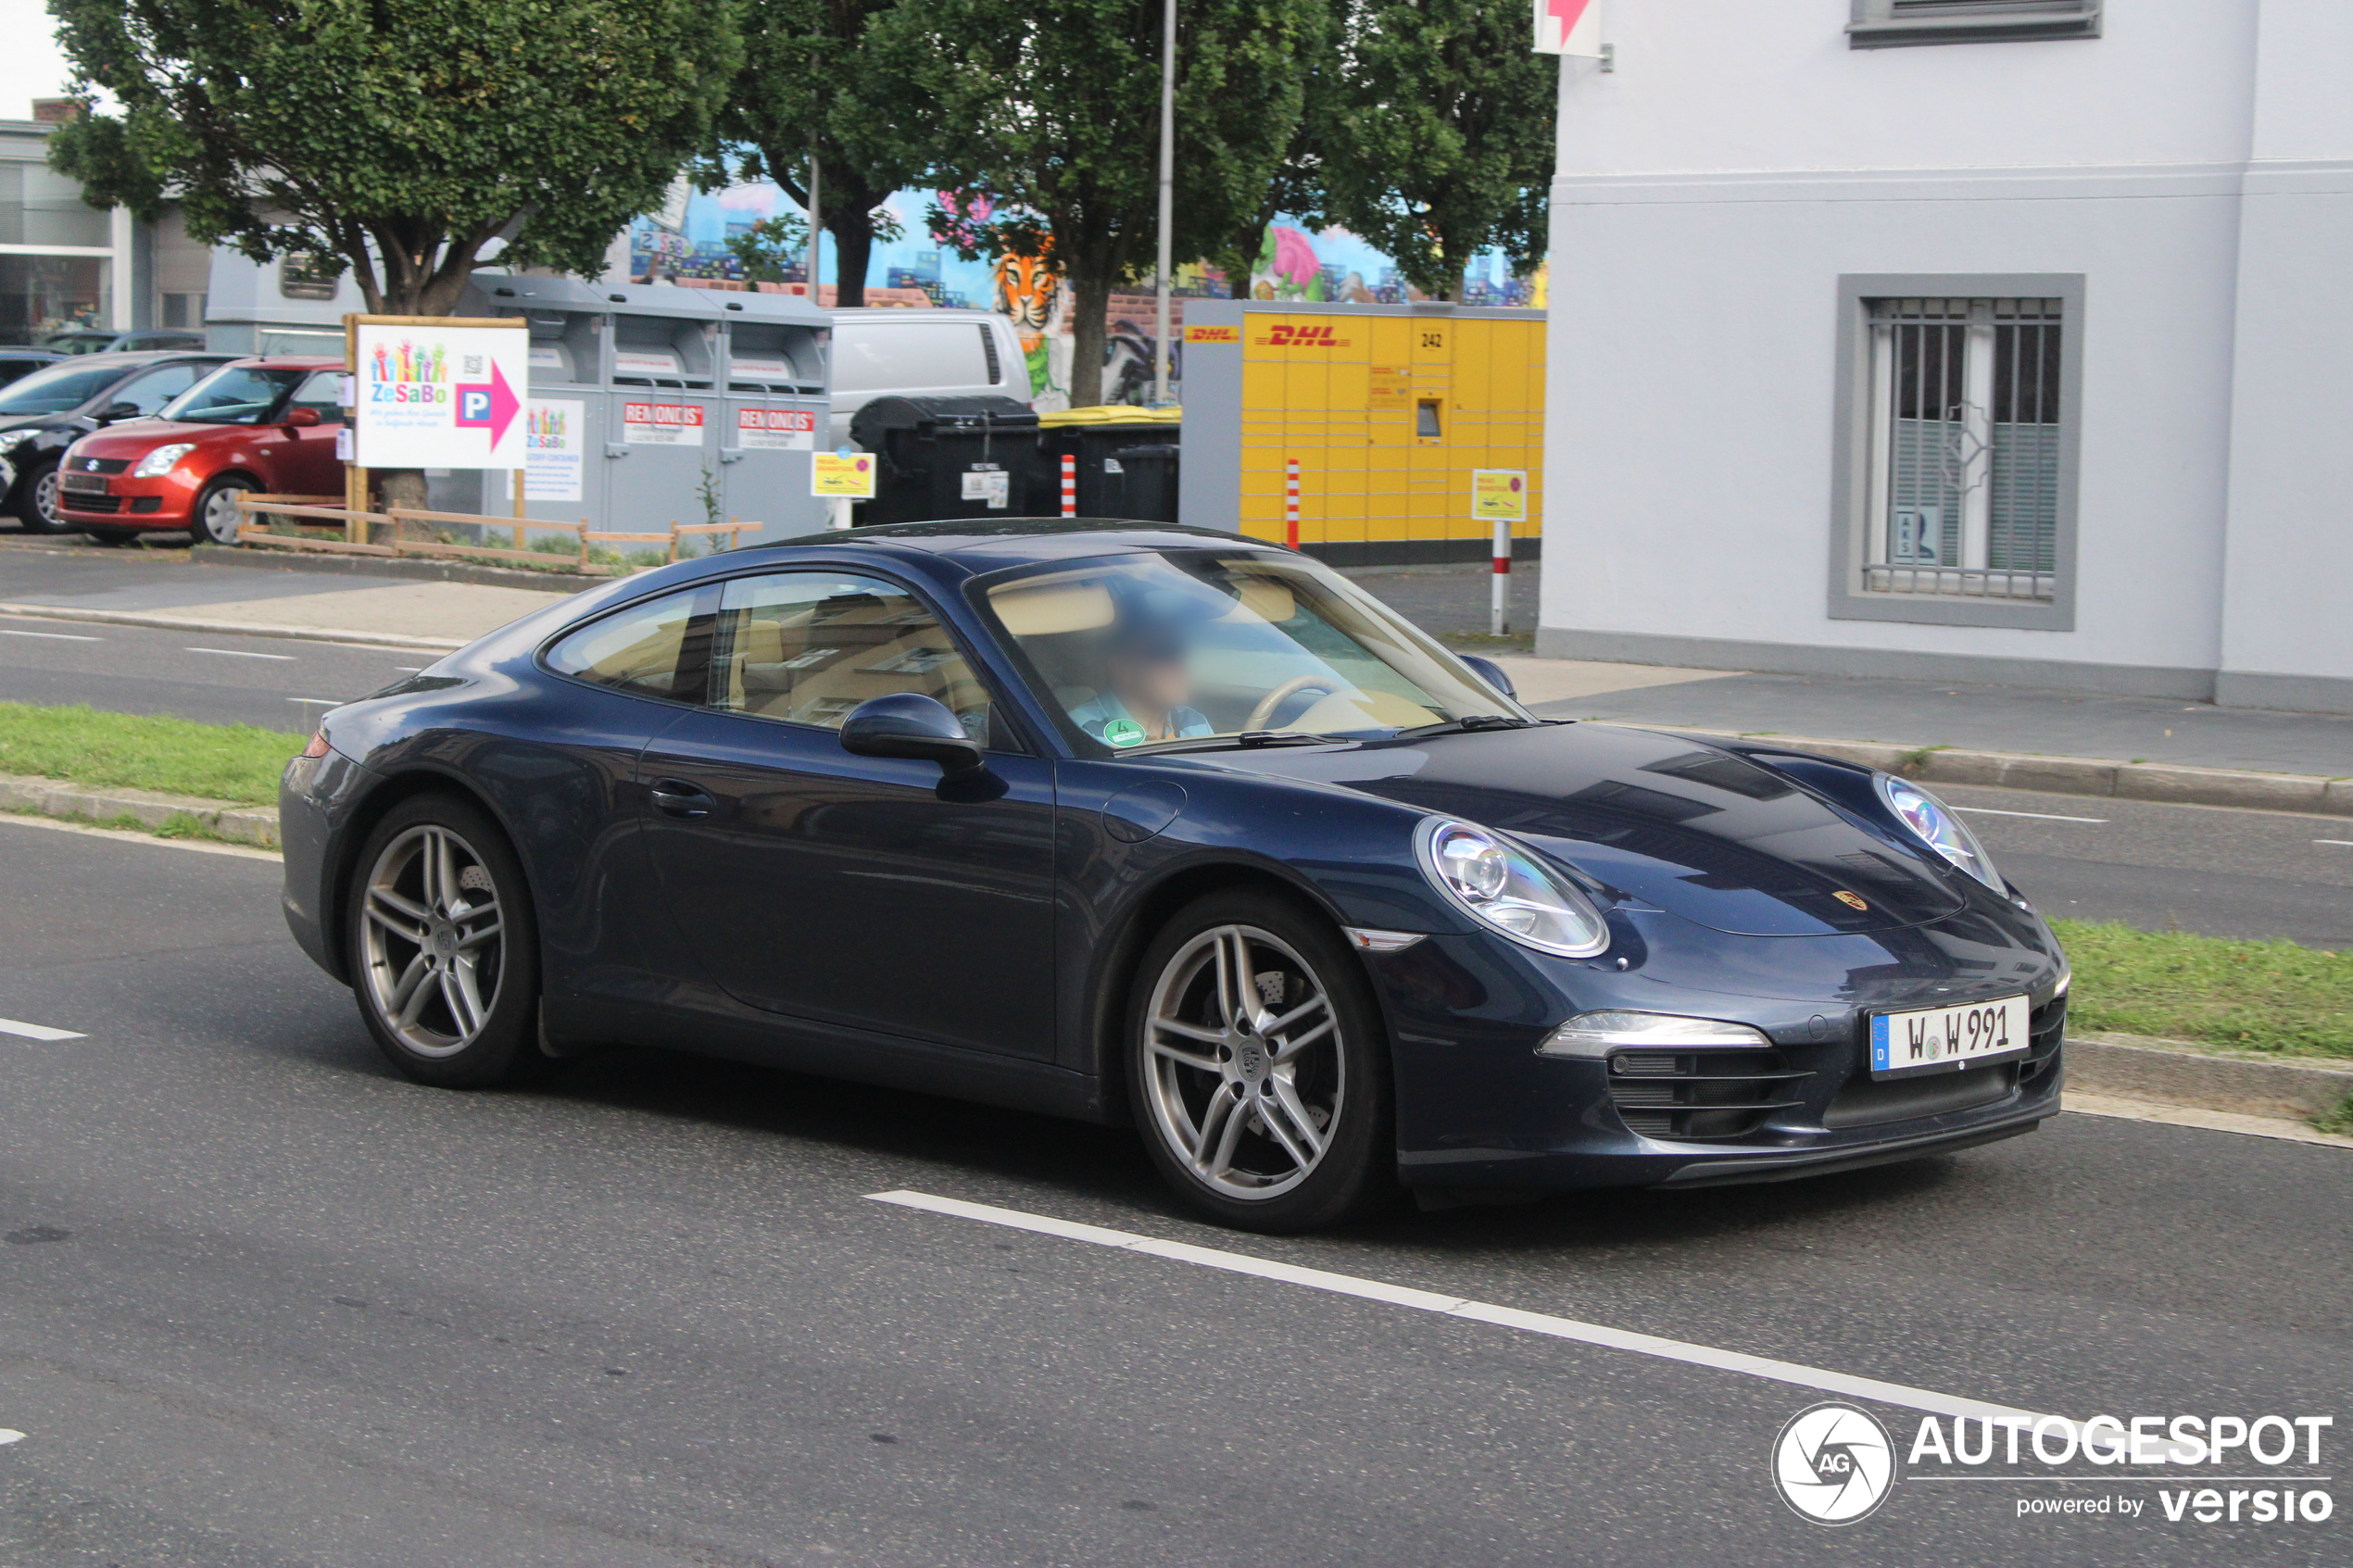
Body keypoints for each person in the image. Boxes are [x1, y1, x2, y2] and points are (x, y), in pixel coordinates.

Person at [1066, 591, 1214, 746]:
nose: (1180, 663)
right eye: (1164, 652)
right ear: (1123, 668)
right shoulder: (1083, 731)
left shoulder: (1193, 722)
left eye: (1180, 650)